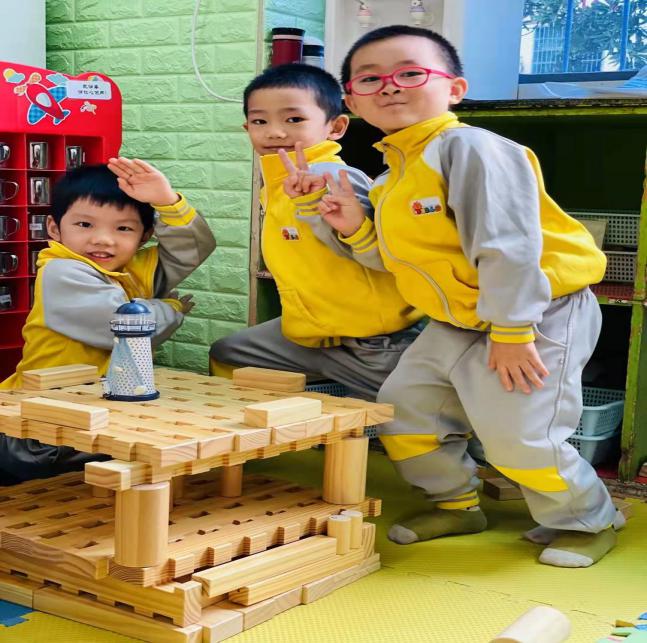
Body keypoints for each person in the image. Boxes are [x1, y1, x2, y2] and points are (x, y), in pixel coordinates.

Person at [322, 24, 620, 567]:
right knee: (404, 411)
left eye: (410, 73)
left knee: (521, 435)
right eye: (370, 79)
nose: (389, 86)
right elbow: (401, 265)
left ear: (455, 89)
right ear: (351, 100)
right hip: (459, 321)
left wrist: (512, 330)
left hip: (536, 311)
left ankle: (587, 520)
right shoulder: (391, 180)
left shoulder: (471, 148)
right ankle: (456, 505)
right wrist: (355, 228)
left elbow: (509, 245)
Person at [209, 63, 423, 400]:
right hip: (313, 336)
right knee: (229, 353)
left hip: (374, 343)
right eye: (260, 121)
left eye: (294, 119)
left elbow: (382, 253)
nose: (274, 132)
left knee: (397, 421)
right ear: (246, 127)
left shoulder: (335, 179)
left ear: (336, 127)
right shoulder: (278, 183)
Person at [0, 158, 216, 483]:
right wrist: (170, 308)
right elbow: (124, 326)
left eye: (123, 228)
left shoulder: (131, 269)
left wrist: (168, 202)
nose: (103, 239)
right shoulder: (62, 270)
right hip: (34, 428)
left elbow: (193, 248)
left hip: (89, 415)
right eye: (85, 225)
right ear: (54, 228)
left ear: (145, 236)